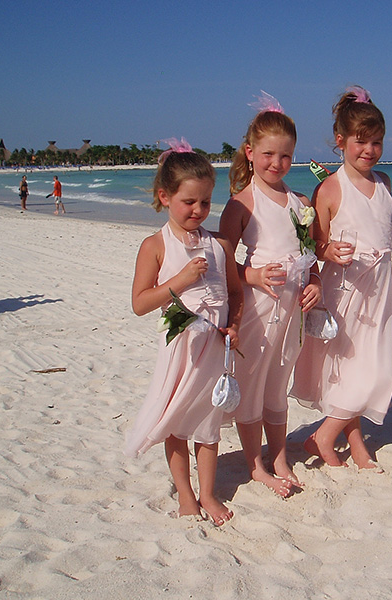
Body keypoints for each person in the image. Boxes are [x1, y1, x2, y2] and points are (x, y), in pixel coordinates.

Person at [125, 138, 243, 525]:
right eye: (189, 202)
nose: (198, 210)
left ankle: (208, 493)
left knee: (208, 422)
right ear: (165, 196)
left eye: (206, 202)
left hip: (213, 349)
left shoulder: (219, 245)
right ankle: (186, 495)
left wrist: (235, 325)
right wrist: (178, 280)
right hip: (180, 349)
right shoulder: (155, 245)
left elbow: (236, 292)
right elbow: (141, 303)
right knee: (176, 421)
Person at [291, 86, 392, 471]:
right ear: (341, 141)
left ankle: (355, 444)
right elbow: (314, 243)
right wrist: (327, 252)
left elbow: (386, 233)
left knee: (364, 368)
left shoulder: (384, 183)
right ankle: (324, 437)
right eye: (361, 141)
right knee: (362, 370)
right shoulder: (330, 187)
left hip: (379, 290)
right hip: (346, 290)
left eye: (377, 142)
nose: (369, 150)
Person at [219, 93, 322, 498]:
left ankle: (278, 456)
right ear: (249, 153)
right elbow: (222, 260)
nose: (275, 164)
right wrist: (253, 273)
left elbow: (310, 256)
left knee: (278, 383)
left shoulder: (301, 203)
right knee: (253, 382)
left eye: (285, 156)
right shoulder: (242, 203)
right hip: (258, 310)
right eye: (267, 154)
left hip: (292, 311)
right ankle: (255, 463)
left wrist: (314, 282)